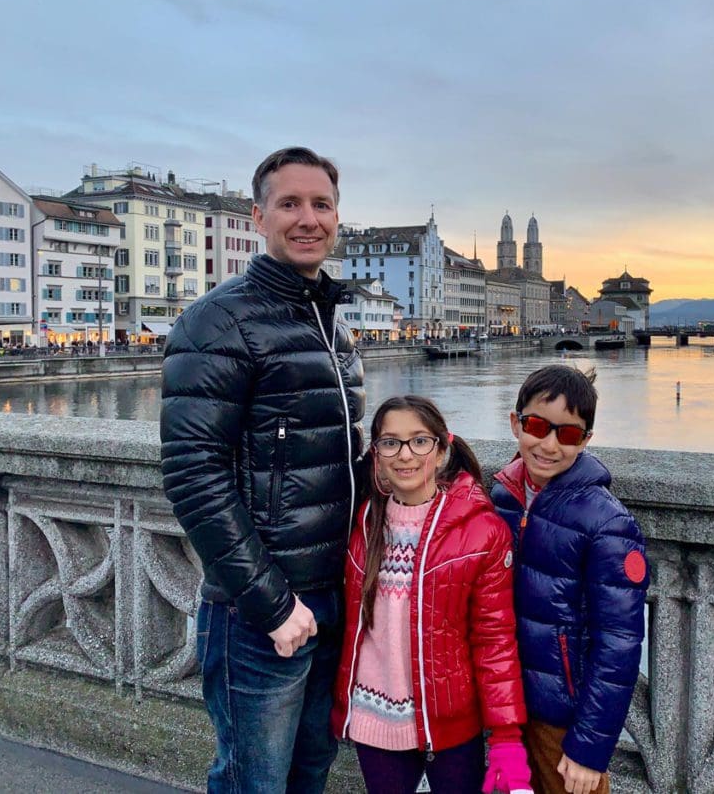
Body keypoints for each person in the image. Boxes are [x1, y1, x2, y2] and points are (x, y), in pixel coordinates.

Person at [160, 147, 364, 794]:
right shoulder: (218, 320)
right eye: (290, 203)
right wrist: (275, 604)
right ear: (258, 216)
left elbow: (343, 458)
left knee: (308, 776)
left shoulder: (331, 322)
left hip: (331, 601)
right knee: (254, 782)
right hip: (260, 612)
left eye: (322, 204)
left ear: (338, 217)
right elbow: (194, 475)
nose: (308, 218)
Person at [332, 395, 532, 794]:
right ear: (376, 455)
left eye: (419, 441)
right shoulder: (361, 525)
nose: (405, 455)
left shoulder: (481, 532)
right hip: (374, 720)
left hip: (452, 725)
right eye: (390, 442)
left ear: (442, 450)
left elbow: (494, 640)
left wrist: (507, 737)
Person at [491, 365, 649, 794]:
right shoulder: (501, 496)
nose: (548, 444)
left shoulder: (607, 522)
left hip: (562, 719)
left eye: (568, 434)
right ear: (515, 423)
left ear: (586, 441)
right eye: (537, 426)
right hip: (504, 705)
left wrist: (590, 750)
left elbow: (619, 646)